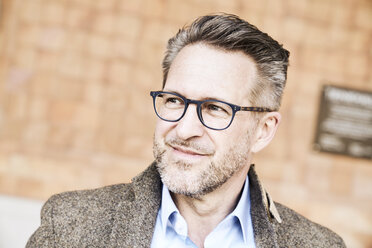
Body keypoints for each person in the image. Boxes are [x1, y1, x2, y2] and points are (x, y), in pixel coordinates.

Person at [27, 13, 346, 248]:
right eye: (175, 100)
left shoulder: (320, 245)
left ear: (263, 130)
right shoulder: (67, 226)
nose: (185, 128)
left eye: (215, 108)